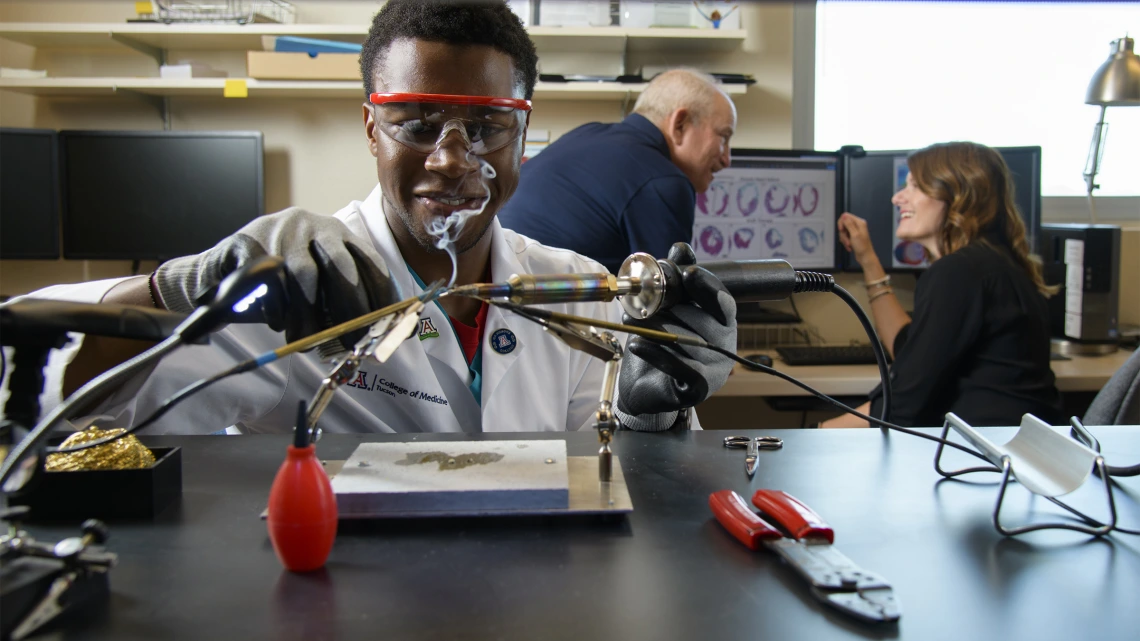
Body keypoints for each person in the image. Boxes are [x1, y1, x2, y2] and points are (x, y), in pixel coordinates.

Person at [21, 0, 737, 435]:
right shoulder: (295, 290)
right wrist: (178, 289)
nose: (452, 160)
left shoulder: (576, 287)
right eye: (417, 123)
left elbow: (626, 482)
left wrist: (658, 410)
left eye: (486, 124)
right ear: (371, 129)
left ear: (523, 135)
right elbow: (64, 399)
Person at [822, 141, 1062, 428]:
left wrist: (818, 432)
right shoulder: (994, 262)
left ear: (957, 195)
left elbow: (906, 403)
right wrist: (868, 259)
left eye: (914, 186)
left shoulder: (960, 271)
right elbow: (911, 351)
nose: (898, 198)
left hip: (985, 455)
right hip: (1015, 445)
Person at [497, 69, 737, 274]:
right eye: (724, 137)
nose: (727, 159)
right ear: (680, 125)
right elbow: (667, 306)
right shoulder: (663, 181)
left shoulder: (586, 134)